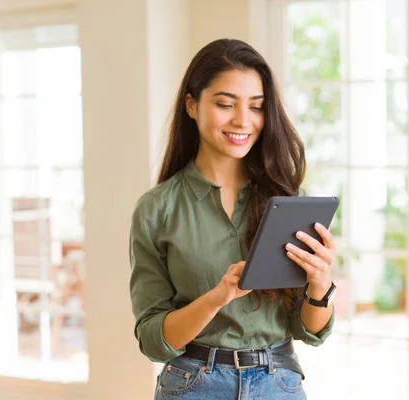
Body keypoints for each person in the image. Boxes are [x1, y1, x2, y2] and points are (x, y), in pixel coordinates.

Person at [129, 38, 337, 400]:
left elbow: (308, 331)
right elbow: (153, 340)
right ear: (192, 105)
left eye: (256, 107)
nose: (243, 120)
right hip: (193, 385)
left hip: (279, 383)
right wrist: (217, 297)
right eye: (225, 104)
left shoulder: (287, 201)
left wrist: (320, 285)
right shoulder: (157, 209)